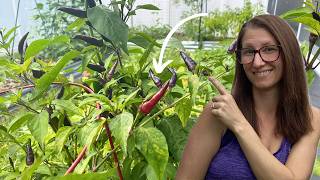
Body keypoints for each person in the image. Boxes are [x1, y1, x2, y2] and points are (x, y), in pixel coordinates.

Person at [176, 14, 320, 180]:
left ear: (289, 53)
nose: (257, 62)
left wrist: (239, 124)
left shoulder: (311, 118)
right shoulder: (218, 113)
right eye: (249, 51)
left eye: (269, 49)